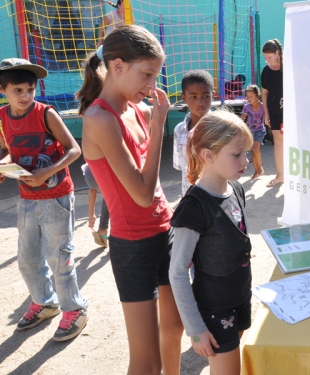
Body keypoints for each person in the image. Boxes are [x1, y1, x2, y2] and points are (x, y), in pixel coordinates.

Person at [77, 25, 183, 375]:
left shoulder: (134, 107)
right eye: (147, 74)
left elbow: (155, 192)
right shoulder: (99, 117)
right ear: (118, 66)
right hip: (134, 245)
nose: (152, 85)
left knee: (176, 327)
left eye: (155, 75)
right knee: (147, 363)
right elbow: (140, 193)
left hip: (163, 231)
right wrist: (158, 131)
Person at [0, 58, 89, 341]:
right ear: (4, 91)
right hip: (26, 198)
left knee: (59, 257)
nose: (26, 96)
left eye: (30, 89)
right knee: (27, 259)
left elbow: (74, 150)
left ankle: (75, 309)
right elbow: (6, 150)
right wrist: (3, 167)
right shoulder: (2, 117)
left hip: (57, 197)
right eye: (18, 90)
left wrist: (47, 171)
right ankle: (44, 301)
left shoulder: (46, 113)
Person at [169, 110, 253, 375]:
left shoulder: (236, 188)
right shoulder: (194, 207)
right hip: (216, 309)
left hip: (240, 299)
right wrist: (195, 329)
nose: (246, 160)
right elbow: (178, 272)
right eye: (237, 154)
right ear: (208, 155)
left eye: (246, 153)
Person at [174, 70, 213, 195]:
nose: (200, 102)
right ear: (184, 98)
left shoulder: (223, 128)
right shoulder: (179, 130)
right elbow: (180, 166)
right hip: (190, 197)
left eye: (206, 96)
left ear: (213, 95)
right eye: (193, 97)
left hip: (216, 197)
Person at [261, 39, 284, 187]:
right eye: (265, 58)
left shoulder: (288, 67)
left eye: (269, 57)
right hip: (275, 113)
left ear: (277, 53)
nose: (267, 60)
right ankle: (280, 176)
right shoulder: (266, 71)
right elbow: (264, 93)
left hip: (291, 112)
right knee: (278, 142)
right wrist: (266, 113)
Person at [81, 163, 109, 247]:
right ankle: (107, 230)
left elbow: (92, 191)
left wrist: (91, 215)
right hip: (110, 166)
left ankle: (103, 229)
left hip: (91, 169)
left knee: (108, 195)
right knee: (112, 195)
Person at [241, 84, 265, 179]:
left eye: (251, 96)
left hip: (260, 130)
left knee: (256, 148)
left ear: (257, 96)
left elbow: (267, 116)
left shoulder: (263, 106)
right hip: (250, 131)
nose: (249, 98)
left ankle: (260, 169)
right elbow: (242, 119)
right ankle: (257, 170)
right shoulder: (246, 107)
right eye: (247, 97)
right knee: (253, 152)